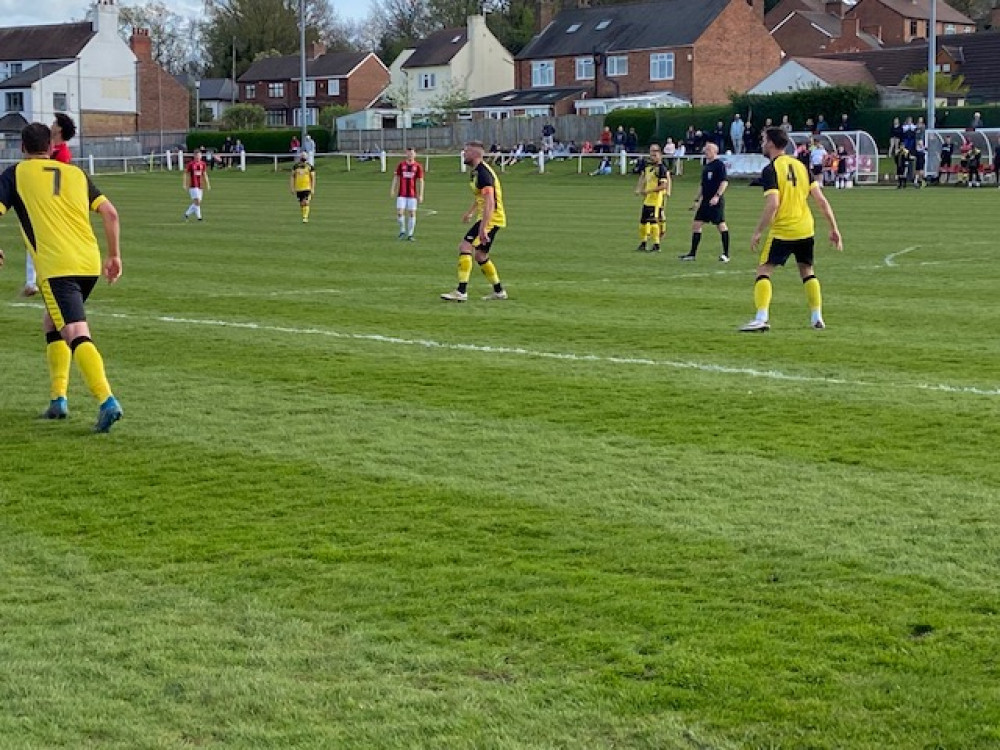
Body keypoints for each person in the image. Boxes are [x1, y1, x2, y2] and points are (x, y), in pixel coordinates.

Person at [0, 122, 123, 431]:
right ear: (52, 147)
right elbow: (110, 213)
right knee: (52, 321)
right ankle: (58, 400)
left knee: (75, 331)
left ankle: (107, 400)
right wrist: (115, 255)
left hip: (58, 268)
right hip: (88, 262)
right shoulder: (75, 174)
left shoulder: (15, 174)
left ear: (23, 149)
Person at [740, 126, 842, 332]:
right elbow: (821, 201)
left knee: (764, 270)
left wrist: (758, 231)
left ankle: (761, 317)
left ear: (770, 143)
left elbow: (773, 204)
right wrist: (834, 228)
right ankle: (817, 317)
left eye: (763, 139)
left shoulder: (771, 170)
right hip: (805, 228)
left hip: (783, 230)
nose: (761, 143)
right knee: (807, 271)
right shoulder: (801, 166)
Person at [440, 141, 507, 302]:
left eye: (466, 151)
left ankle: (461, 291)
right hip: (489, 217)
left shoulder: (484, 174)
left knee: (465, 246)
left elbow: (490, 202)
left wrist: (483, 228)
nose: (463, 153)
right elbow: (481, 197)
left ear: (475, 154)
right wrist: (470, 212)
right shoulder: (475, 172)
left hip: (492, 217)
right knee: (480, 255)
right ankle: (499, 291)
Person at [21, 113, 76, 298]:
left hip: (51, 206)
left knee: (35, 237)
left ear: (59, 129)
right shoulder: (54, 150)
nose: (51, 125)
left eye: (54, 123)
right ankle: (33, 281)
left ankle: (35, 281)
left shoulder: (61, 154)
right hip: (45, 203)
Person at [679, 142, 730, 263]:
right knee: (696, 225)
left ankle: (726, 254)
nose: (705, 151)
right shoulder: (707, 166)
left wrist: (717, 196)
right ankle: (692, 254)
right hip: (705, 201)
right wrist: (697, 200)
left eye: (708, 150)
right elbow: (703, 185)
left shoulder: (719, 165)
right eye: (705, 149)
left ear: (714, 151)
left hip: (715, 201)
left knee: (721, 225)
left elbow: (724, 182)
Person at [633, 143, 671, 253]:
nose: (652, 157)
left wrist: (649, 191)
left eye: (655, 155)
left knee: (654, 222)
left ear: (660, 156)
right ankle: (643, 243)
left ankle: (656, 244)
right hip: (648, 199)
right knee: (643, 222)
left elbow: (664, 185)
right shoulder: (649, 168)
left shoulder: (662, 169)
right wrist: (641, 189)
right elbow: (644, 178)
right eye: (652, 155)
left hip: (656, 199)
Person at [391, 146, 424, 240]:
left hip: (412, 195)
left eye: (412, 153)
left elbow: (421, 181)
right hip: (402, 193)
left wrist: (421, 194)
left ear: (415, 154)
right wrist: (392, 189)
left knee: (412, 213)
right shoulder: (401, 165)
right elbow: (396, 177)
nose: (410, 155)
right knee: (400, 212)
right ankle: (402, 231)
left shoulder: (418, 166)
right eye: (409, 153)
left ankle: (410, 234)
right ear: (406, 154)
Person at [183, 149, 210, 220]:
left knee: (197, 203)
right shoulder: (191, 164)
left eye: (199, 155)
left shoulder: (203, 164)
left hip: (200, 185)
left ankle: (186, 214)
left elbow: (205, 174)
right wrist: (185, 184)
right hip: (193, 185)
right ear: (194, 156)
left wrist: (207, 184)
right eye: (197, 155)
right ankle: (199, 217)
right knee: (197, 201)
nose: (198, 157)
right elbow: (185, 174)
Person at [289, 151, 316, 223]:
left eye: (304, 159)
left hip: (307, 187)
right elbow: (292, 176)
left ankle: (305, 217)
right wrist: (292, 187)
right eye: (302, 159)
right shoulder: (295, 167)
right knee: (301, 203)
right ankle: (304, 215)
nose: (303, 161)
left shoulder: (310, 167)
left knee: (306, 202)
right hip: (298, 188)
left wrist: (312, 188)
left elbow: (313, 178)